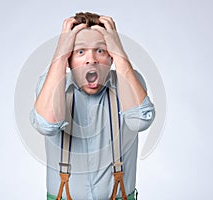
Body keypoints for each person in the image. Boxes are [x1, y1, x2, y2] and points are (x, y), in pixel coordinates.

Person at [30, 12, 155, 200]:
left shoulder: (129, 81)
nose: (91, 60)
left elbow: (140, 121)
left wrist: (119, 52)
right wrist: (60, 53)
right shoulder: (53, 84)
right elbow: (46, 125)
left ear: (111, 57)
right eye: (80, 51)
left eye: (101, 50)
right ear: (69, 60)